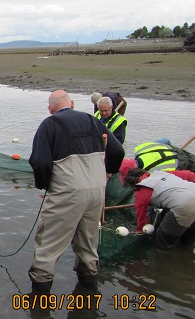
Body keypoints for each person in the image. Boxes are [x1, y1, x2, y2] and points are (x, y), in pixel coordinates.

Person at [28, 90, 124, 293]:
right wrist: (107, 173)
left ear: (50, 109)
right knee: (88, 245)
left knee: (48, 244)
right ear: (71, 104)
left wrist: (44, 184)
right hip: (97, 191)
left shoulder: (49, 124)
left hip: (68, 191)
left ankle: (40, 304)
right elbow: (118, 151)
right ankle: (88, 298)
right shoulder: (93, 120)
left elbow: (40, 162)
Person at [121, 164, 195, 249]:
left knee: (163, 239)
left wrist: (141, 232)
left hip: (185, 205)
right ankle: (187, 253)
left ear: (132, 184)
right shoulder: (161, 173)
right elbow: (188, 175)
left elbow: (142, 217)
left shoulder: (141, 191)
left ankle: (165, 259)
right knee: (188, 238)